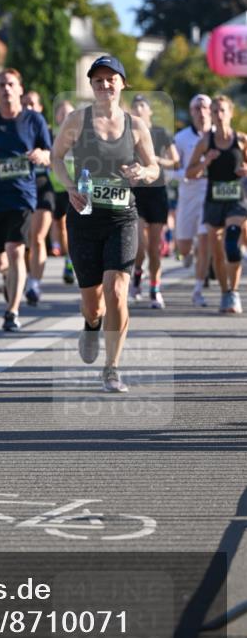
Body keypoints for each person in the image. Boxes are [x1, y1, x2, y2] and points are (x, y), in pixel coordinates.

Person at [51, 56, 159, 394]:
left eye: (111, 79)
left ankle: (111, 368)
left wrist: (143, 173)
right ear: (91, 86)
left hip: (123, 217)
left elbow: (154, 167)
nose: (104, 85)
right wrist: (69, 187)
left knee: (116, 290)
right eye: (98, 80)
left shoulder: (136, 126)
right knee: (93, 301)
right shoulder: (76, 120)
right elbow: (56, 158)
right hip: (84, 218)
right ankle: (91, 323)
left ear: (122, 84)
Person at [0, 70, 51, 331]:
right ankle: (11, 280)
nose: (6, 89)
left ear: (20, 89)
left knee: (16, 251)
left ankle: (12, 311)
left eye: (11, 84)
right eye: (1, 84)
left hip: (22, 195)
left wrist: (41, 155)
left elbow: (48, 152)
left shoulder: (34, 120)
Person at [185, 94, 247, 314]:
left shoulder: (241, 140)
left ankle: (234, 291)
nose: (218, 115)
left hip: (235, 199)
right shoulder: (205, 142)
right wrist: (206, 161)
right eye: (215, 111)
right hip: (213, 200)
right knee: (217, 252)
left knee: (231, 242)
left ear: (230, 113)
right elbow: (189, 172)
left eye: (222, 111)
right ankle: (225, 292)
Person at [128, 94, 179, 309]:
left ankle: (155, 288)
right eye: (135, 106)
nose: (139, 109)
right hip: (137, 193)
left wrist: (158, 160)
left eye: (142, 105)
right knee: (139, 245)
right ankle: (138, 272)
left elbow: (175, 161)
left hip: (157, 192)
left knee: (155, 249)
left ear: (149, 111)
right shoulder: (128, 133)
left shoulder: (160, 133)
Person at [173, 94, 212, 306]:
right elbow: (171, 169)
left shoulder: (220, 137)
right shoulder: (181, 138)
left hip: (210, 195)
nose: (201, 112)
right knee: (185, 245)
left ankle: (198, 289)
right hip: (188, 195)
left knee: (205, 242)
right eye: (197, 108)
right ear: (191, 113)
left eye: (205, 107)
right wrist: (185, 175)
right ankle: (187, 253)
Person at [20, 89, 55, 306]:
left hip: (43, 186)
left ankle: (34, 283)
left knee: (38, 238)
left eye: (33, 104)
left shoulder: (47, 130)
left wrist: (45, 156)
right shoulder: (15, 128)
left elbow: (57, 157)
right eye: (25, 104)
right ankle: (20, 276)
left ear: (40, 108)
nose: (29, 108)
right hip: (20, 187)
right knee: (22, 242)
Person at [48, 99, 76, 285]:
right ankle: (68, 257)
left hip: (74, 186)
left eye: (69, 113)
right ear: (57, 117)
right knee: (59, 225)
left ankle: (70, 261)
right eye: (62, 113)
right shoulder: (51, 135)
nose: (65, 116)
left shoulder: (80, 135)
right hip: (56, 186)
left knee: (69, 225)